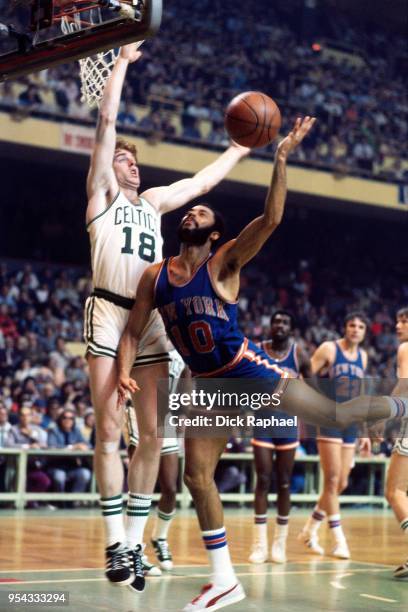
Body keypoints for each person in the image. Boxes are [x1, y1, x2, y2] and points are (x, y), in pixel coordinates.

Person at [117, 116, 407, 611]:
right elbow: (133, 329)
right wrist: (124, 370)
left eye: (203, 211)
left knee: (333, 416)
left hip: (246, 368)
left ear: (215, 234)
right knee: (196, 477)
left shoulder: (224, 262)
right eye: (190, 210)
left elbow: (271, 220)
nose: (193, 213)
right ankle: (225, 579)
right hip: (208, 383)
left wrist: (281, 157)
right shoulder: (154, 275)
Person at [85, 42, 250, 590]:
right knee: (109, 429)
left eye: (133, 159)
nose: (130, 162)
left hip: (151, 314)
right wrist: (123, 65)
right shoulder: (101, 196)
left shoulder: (153, 202)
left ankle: (132, 546)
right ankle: (114, 543)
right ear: (108, 168)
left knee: (152, 437)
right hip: (110, 312)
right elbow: (108, 119)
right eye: (122, 158)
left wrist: (239, 151)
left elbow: (201, 184)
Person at [299, 312, 370, 559]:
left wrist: (364, 431)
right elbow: (304, 376)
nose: (356, 329)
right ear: (345, 327)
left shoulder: (363, 356)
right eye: (352, 325)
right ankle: (340, 540)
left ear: (364, 332)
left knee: (341, 483)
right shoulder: (329, 348)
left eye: (361, 326)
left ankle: (309, 530)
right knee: (331, 481)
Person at [249, 310, 312, 564]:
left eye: (285, 322)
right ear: (270, 326)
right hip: (263, 419)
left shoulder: (300, 354)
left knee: (284, 481)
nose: (279, 325)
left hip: (288, 422)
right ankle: (259, 545)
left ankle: (279, 545)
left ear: (291, 328)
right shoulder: (258, 349)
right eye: (275, 321)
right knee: (263, 479)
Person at [124, 346, 186, 576]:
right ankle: (134, 548)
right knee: (140, 487)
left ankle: (159, 537)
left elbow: (185, 381)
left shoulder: (181, 344)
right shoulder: (145, 338)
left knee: (170, 487)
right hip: (138, 411)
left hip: (167, 416)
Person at [385, 307, 408, 578]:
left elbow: (404, 387)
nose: (398, 325)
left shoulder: (405, 349)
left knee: (395, 491)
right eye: (398, 319)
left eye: (404, 320)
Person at [47, 408, 91, 496]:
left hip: (72, 467)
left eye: (71, 418)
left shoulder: (76, 431)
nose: (68, 420)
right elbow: (52, 447)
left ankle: (74, 500)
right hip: (57, 466)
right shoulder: (54, 431)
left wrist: (84, 446)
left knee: (85, 474)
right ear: (60, 419)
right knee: (59, 477)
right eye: (65, 418)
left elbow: (88, 445)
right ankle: (60, 502)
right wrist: (72, 447)